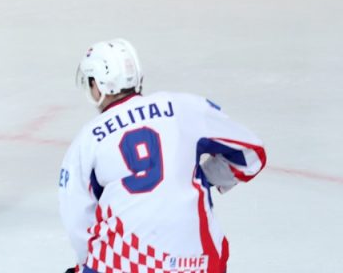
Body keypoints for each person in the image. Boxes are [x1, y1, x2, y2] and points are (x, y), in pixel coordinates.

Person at [59, 39, 266, 273]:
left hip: (124, 266)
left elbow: (78, 223)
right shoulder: (185, 107)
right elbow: (251, 154)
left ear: (99, 84)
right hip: (199, 264)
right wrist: (206, 177)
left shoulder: (87, 140)